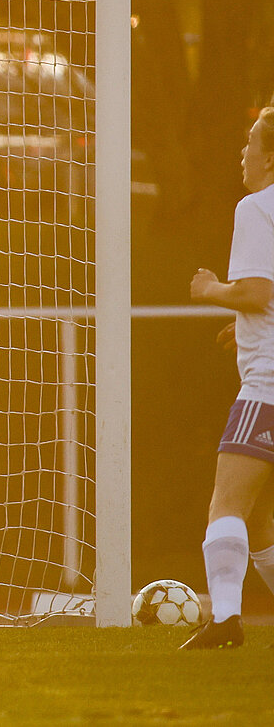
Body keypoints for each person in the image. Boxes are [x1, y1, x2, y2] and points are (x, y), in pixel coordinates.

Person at [183, 107, 274, 649]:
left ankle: (223, 621)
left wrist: (212, 289)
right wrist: (239, 325)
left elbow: (256, 292)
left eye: (249, 143)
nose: (242, 153)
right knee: (259, 523)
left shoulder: (257, 206)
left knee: (227, 504)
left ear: (270, 157)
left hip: (267, 386)